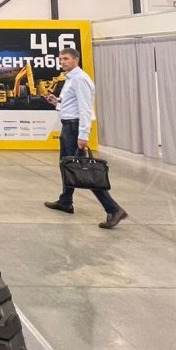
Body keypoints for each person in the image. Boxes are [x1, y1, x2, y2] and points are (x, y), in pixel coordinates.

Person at [43, 47, 128, 229]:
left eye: (66, 59)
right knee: (67, 165)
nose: (62, 62)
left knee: (84, 170)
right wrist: (56, 102)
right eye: (60, 59)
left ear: (76, 59)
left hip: (74, 128)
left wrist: (83, 134)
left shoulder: (80, 79)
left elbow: (85, 109)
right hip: (69, 127)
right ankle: (65, 201)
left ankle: (113, 209)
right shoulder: (70, 79)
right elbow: (72, 104)